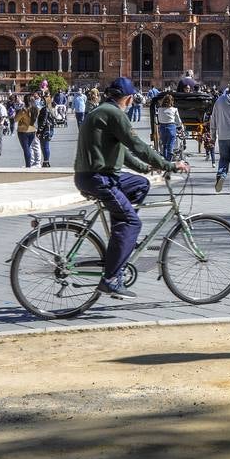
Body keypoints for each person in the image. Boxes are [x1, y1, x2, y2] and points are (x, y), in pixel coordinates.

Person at [74, 77, 188, 297]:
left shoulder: (102, 110)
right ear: (127, 98)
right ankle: (111, 279)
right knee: (131, 221)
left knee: (140, 185)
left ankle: (121, 239)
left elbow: (122, 152)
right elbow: (137, 145)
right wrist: (168, 164)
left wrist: (145, 169)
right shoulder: (115, 114)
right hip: (99, 178)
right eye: (131, 100)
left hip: (97, 175)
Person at [154, 93, 181, 161]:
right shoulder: (174, 109)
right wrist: (180, 126)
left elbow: (159, 119)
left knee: (164, 144)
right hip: (171, 127)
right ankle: (170, 155)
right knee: (170, 143)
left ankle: (166, 159)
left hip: (162, 127)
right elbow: (178, 120)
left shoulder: (159, 109)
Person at [35, 95, 56, 167]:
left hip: (45, 129)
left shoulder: (45, 109)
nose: (42, 101)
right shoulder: (51, 108)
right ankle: (46, 161)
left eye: (43, 100)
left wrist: (39, 131)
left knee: (44, 146)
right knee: (46, 146)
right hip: (50, 128)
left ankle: (46, 161)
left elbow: (43, 121)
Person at [15, 101, 37, 168]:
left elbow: (16, 119)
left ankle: (28, 165)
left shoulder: (23, 110)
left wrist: (19, 112)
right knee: (28, 147)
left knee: (26, 149)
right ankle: (30, 163)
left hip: (23, 130)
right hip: (32, 130)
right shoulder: (36, 109)